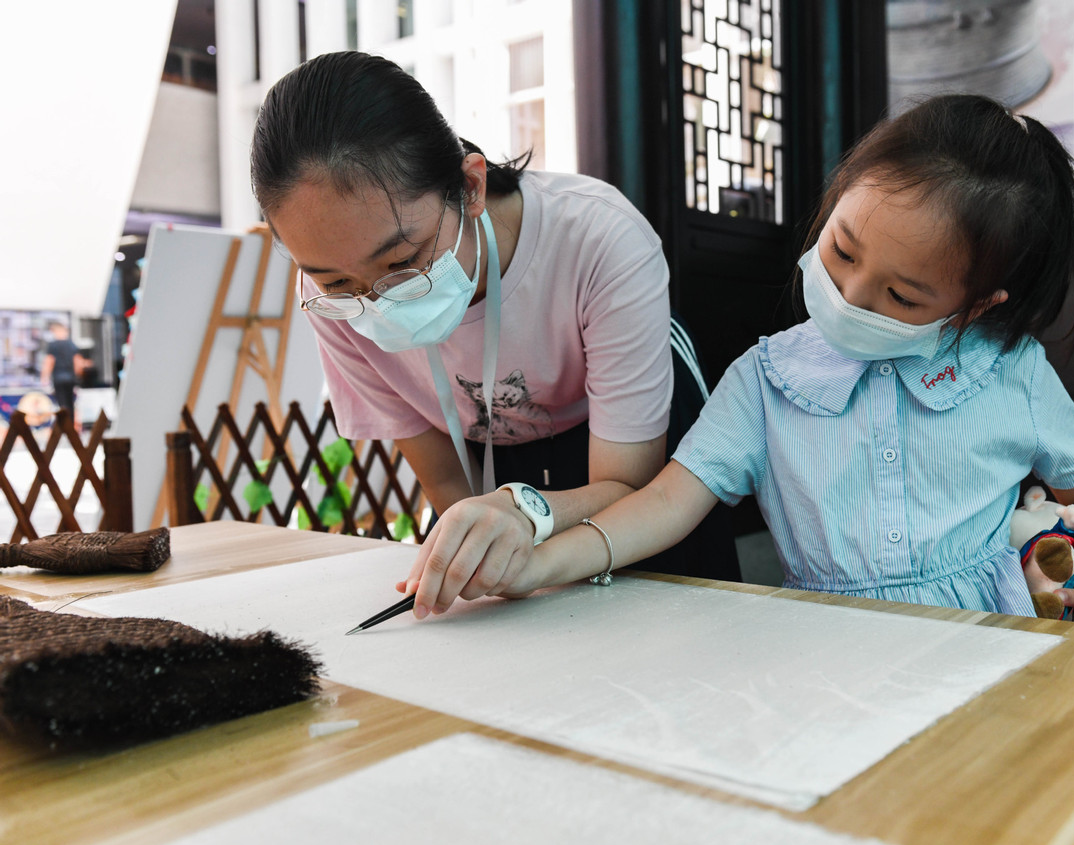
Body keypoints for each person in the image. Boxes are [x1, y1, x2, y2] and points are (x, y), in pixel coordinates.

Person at [409, 93, 1074, 627]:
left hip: (995, 648)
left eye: (902, 296)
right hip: (822, 651)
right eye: (842, 250)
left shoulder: (1010, 370)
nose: (851, 294)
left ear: (975, 306)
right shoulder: (766, 380)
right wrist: (542, 562)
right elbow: (665, 502)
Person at [251, 51, 738, 607]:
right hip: (492, 456)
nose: (375, 301)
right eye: (337, 280)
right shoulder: (330, 304)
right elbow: (449, 487)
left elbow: (630, 485)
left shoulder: (599, 239)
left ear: (471, 187)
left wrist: (523, 512)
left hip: (627, 451)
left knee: (669, 605)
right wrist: (482, 552)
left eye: (402, 261)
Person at [40, 321, 88, 421]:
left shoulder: (53, 345)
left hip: (58, 378)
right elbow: (78, 362)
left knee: (62, 403)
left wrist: (44, 377)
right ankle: (70, 423)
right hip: (70, 378)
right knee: (70, 403)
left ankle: (64, 424)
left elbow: (49, 361)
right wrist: (79, 376)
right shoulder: (71, 344)